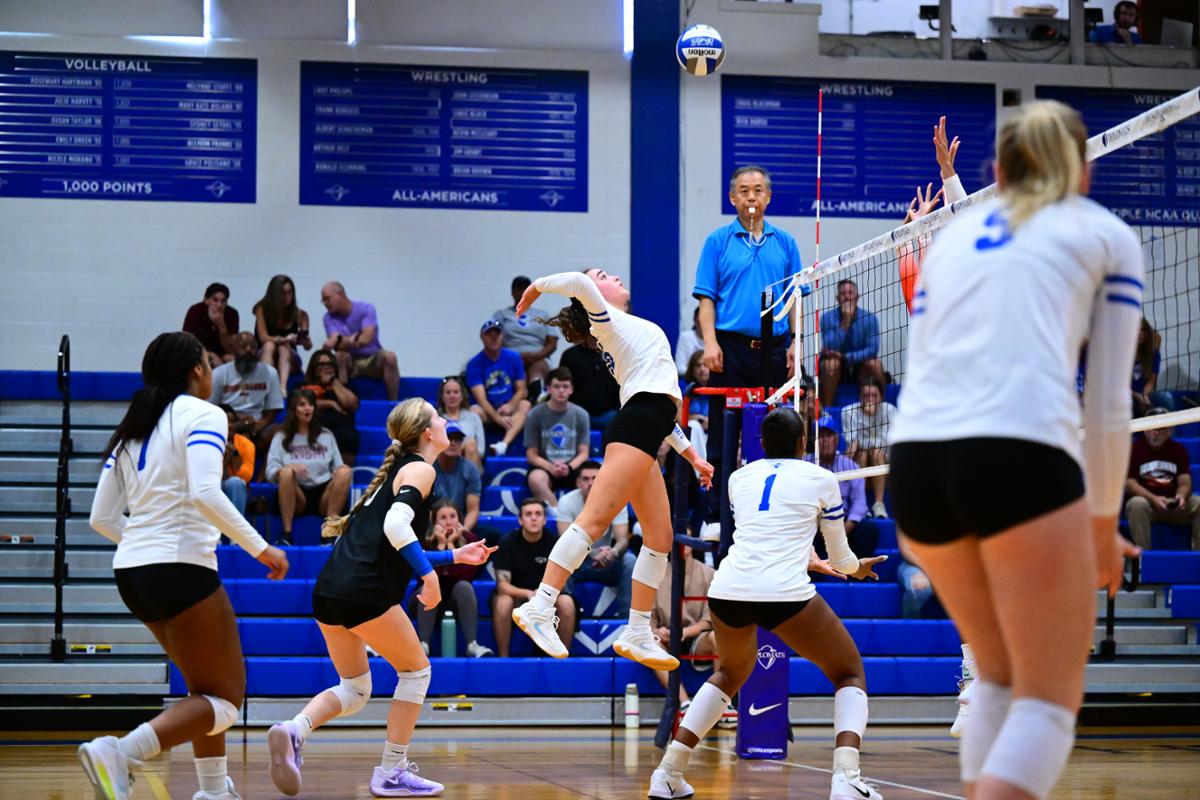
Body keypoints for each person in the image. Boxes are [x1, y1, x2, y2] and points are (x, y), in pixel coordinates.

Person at [888, 100, 1143, 800]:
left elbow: (922, 361)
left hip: (915, 469)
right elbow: (1108, 404)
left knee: (997, 678)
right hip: (1018, 453)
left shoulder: (953, 239)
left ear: (999, 171)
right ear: (1082, 172)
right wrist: (1099, 522)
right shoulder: (1104, 233)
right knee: (1047, 703)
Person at [83, 331, 289, 800]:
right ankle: (122, 753)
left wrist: (142, 543)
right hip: (180, 569)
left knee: (205, 692)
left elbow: (101, 518)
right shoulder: (205, 414)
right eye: (207, 362)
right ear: (197, 371)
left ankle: (215, 792)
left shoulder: (133, 427)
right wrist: (261, 548)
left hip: (131, 573)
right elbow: (204, 492)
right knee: (227, 701)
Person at [648, 407, 886, 800]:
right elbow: (841, 559)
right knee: (849, 673)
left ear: (760, 443)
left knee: (729, 675)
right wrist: (856, 568)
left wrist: (804, 554)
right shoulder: (823, 478)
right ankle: (846, 779)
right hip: (783, 593)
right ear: (803, 443)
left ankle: (668, 774)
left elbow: (771, 532)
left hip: (728, 591)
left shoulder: (739, 478)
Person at [265, 398, 495, 798]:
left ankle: (293, 730)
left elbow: (391, 543)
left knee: (355, 689)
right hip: (364, 593)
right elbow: (396, 525)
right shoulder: (421, 468)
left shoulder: (398, 473)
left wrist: (453, 556)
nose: (445, 420)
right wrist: (431, 578)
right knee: (417, 672)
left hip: (331, 590)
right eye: (438, 416)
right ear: (426, 432)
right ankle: (391, 770)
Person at [510, 268, 714, 669]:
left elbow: (657, 402)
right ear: (594, 297)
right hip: (637, 426)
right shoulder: (606, 318)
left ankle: (637, 631)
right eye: (604, 275)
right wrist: (537, 288)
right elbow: (579, 284)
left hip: (647, 424)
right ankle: (540, 604)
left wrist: (691, 454)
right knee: (596, 519)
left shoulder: (623, 330)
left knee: (659, 536)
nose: (615, 275)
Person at [694, 165, 804, 538]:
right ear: (733, 198)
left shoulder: (786, 242)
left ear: (768, 197)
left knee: (775, 434)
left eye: (758, 190)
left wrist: (795, 346)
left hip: (772, 352)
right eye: (744, 190)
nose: (751, 196)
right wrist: (710, 343)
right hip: (730, 350)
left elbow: (795, 302)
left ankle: (771, 516)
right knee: (723, 437)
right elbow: (705, 299)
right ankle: (714, 516)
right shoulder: (718, 241)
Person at [265, 389, 352, 546]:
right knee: (285, 472)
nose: (308, 408)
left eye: (311, 404)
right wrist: (288, 468)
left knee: (345, 471)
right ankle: (287, 534)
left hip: (323, 493)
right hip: (296, 493)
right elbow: (270, 471)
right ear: (293, 410)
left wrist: (338, 472)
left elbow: (339, 466)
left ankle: (329, 532)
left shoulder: (326, 435)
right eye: (302, 405)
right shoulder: (281, 437)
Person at [491, 498, 576, 657]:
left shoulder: (554, 543)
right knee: (503, 601)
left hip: (548, 596)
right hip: (517, 596)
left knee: (567, 602)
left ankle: (561, 658)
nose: (534, 518)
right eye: (528, 514)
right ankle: (504, 657)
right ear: (520, 520)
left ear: (544, 519)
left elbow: (563, 579)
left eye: (538, 514)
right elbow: (502, 585)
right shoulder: (508, 542)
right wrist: (529, 594)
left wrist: (544, 595)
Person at [414, 500, 493, 658]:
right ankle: (423, 645)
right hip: (423, 600)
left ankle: (472, 645)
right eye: (443, 517)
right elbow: (424, 574)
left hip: (457, 601)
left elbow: (466, 575)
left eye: (452, 516)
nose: (449, 521)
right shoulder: (423, 541)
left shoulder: (470, 539)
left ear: (460, 519)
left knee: (464, 586)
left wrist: (451, 546)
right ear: (434, 521)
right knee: (428, 585)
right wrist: (441, 545)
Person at [557, 460, 635, 617]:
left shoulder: (616, 501)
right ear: (578, 482)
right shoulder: (566, 502)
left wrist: (612, 553)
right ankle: (567, 616)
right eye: (585, 479)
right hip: (577, 562)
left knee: (630, 560)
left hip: (607, 560)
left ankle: (627, 620)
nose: (590, 483)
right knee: (560, 560)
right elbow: (564, 541)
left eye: (595, 478)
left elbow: (623, 539)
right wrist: (592, 553)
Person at [649, 543, 717, 709]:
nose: (683, 545)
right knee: (651, 643)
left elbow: (710, 619)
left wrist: (684, 632)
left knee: (718, 637)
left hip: (698, 638)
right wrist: (658, 631)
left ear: (693, 544)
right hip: (667, 638)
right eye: (678, 541)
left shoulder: (710, 574)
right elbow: (648, 620)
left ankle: (721, 703)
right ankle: (684, 703)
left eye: (687, 540)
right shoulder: (656, 575)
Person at [1125, 408, 1199, 550]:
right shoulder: (1134, 449)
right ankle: (1143, 558)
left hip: (1173, 504)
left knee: (1198, 502)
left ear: (1169, 431)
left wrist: (1181, 496)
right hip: (1148, 505)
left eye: (1161, 429)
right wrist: (1154, 499)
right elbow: (1130, 484)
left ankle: (1197, 557)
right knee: (1136, 504)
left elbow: (1185, 481)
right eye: (1152, 428)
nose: (1156, 432)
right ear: (1145, 430)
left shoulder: (1179, 450)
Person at [320, 281, 401, 402]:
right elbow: (335, 344)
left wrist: (342, 339)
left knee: (390, 357)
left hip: (372, 359)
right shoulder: (328, 318)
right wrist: (353, 339)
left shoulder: (366, 309)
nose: (325, 303)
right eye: (323, 300)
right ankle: (345, 401)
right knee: (339, 355)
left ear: (340, 294)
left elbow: (366, 339)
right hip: (349, 362)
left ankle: (393, 403)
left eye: (327, 298)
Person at [808, 425, 879, 558]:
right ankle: (812, 577)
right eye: (820, 436)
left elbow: (859, 504)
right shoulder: (805, 463)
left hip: (844, 523)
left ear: (836, 439)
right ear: (814, 441)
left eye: (828, 435)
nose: (824, 440)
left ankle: (858, 576)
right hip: (815, 523)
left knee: (868, 530)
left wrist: (843, 531)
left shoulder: (850, 465)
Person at [524, 367, 590, 508]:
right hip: (546, 466)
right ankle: (558, 513)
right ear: (548, 389)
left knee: (593, 477)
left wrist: (569, 467)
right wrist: (550, 466)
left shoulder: (582, 414)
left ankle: (585, 515)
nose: (561, 391)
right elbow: (531, 455)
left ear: (571, 389)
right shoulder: (534, 414)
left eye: (565, 386)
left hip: (573, 466)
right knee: (536, 478)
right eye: (556, 386)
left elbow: (584, 452)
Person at [466, 319, 531, 457]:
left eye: (497, 334)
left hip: (508, 408)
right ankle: (477, 452)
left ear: (503, 336)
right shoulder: (474, 363)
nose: (494, 337)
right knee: (474, 411)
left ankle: (503, 444)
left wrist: (511, 405)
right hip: (488, 411)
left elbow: (521, 389)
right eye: (489, 334)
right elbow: (481, 399)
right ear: (482, 337)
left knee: (524, 404)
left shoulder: (514, 357)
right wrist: (497, 418)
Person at [209, 332, 285, 445]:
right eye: (243, 346)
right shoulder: (218, 374)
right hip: (228, 422)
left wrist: (262, 423)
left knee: (280, 432)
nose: (248, 350)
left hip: (257, 425)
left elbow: (272, 410)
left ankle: (270, 463)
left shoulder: (270, 373)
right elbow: (210, 408)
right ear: (234, 349)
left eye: (253, 347)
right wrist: (232, 424)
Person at [819, 279, 883, 409]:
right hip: (836, 366)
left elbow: (872, 350)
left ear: (857, 296)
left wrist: (847, 357)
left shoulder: (869, 318)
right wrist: (845, 322)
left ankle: (880, 409)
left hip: (860, 365)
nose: (847, 296)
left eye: (850, 292)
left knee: (875, 365)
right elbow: (830, 347)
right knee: (831, 364)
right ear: (837, 298)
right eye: (843, 293)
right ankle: (828, 412)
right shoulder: (827, 317)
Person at [841, 379, 896, 518]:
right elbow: (851, 443)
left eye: (874, 395)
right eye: (866, 396)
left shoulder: (890, 410)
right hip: (860, 460)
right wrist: (863, 444)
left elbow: (886, 442)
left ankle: (878, 504)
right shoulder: (848, 412)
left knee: (876, 452)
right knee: (862, 455)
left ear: (881, 396)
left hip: (885, 462)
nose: (870, 399)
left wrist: (863, 439)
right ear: (860, 397)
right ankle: (861, 504)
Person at [493, 275, 559, 392]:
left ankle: (536, 393)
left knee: (538, 369)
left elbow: (552, 343)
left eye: (526, 289)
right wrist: (515, 356)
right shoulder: (502, 315)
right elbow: (493, 340)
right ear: (513, 292)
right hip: (510, 357)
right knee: (514, 370)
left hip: (538, 356)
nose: (523, 293)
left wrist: (535, 356)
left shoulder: (543, 315)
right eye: (520, 289)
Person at [299, 349, 361, 467]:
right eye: (321, 365)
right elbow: (299, 404)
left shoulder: (347, 387)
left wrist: (334, 382)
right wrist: (330, 403)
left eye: (329, 364)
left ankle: (342, 476)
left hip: (341, 430)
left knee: (349, 436)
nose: (326, 368)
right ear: (313, 367)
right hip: (311, 428)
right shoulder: (302, 386)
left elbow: (352, 404)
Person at [254, 275, 312, 396]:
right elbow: (263, 337)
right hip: (266, 354)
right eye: (282, 293)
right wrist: (286, 338)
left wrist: (305, 341)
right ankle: (266, 387)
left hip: (288, 357)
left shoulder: (299, 314)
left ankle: (282, 388)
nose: (287, 297)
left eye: (289, 292)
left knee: (283, 347)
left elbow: (308, 346)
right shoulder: (262, 309)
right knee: (270, 345)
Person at [559, 335, 621, 432]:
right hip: (577, 412)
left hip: (610, 413)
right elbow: (562, 384)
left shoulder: (615, 354)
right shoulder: (570, 355)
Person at [432, 421, 482, 534]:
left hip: (460, 524)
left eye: (458, 439)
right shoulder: (428, 467)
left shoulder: (470, 469)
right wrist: (432, 531)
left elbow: (473, 510)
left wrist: (463, 531)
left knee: (493, 536)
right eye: (449, 438)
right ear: (439, 440)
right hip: (432, 526)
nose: (453, 443)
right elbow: (422, 509)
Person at [183, 282, 240, 369]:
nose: (219, 305)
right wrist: (207, 353)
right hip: (199, 350)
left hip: (223, 352)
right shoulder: (196, 311)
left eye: (223, 301)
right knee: (212, 360)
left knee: (234, 360)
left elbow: (231, 348)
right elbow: (188, 341)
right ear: (206, 300)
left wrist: (222, 326)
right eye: (215, 300)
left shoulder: (232, 314)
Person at [437, 375, 485, 469]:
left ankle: (469, 482)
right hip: (443, 463)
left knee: (470, 444)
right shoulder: (436, 418)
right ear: (442, 396)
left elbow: (481, 450)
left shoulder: (473, 417)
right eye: (448, 392)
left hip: (468, 461)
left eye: (455, 392)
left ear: (462, 395)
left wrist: (460, 447)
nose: (452, 395)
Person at [1132, 318, 1176, 415]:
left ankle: (1170, 429)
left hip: (1145, 393)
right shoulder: (1119, 355)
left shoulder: (1153, 354)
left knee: (1166, 398)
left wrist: (1144, 396)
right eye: (1136, 329)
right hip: (1126, 395)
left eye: (1143, 330)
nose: (1140, 333)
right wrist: (1136, 396)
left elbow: (1151, 381)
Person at [218, 404, 255, 518]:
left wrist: (234, 454)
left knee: (236, 483)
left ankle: (235, 534)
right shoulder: (206, 440)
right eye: (225, 421)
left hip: (231, 488)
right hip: (210, 486)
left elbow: (245, 477)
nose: (229, 425)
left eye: (233, 422)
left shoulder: (246, 444)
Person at [674, 307, 704, 378]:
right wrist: (697, 373)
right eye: (700, 321)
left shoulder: (719, 338)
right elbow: (679, 367)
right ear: (695, 320)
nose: (703, 325)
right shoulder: (685, 337)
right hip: (690, 380)